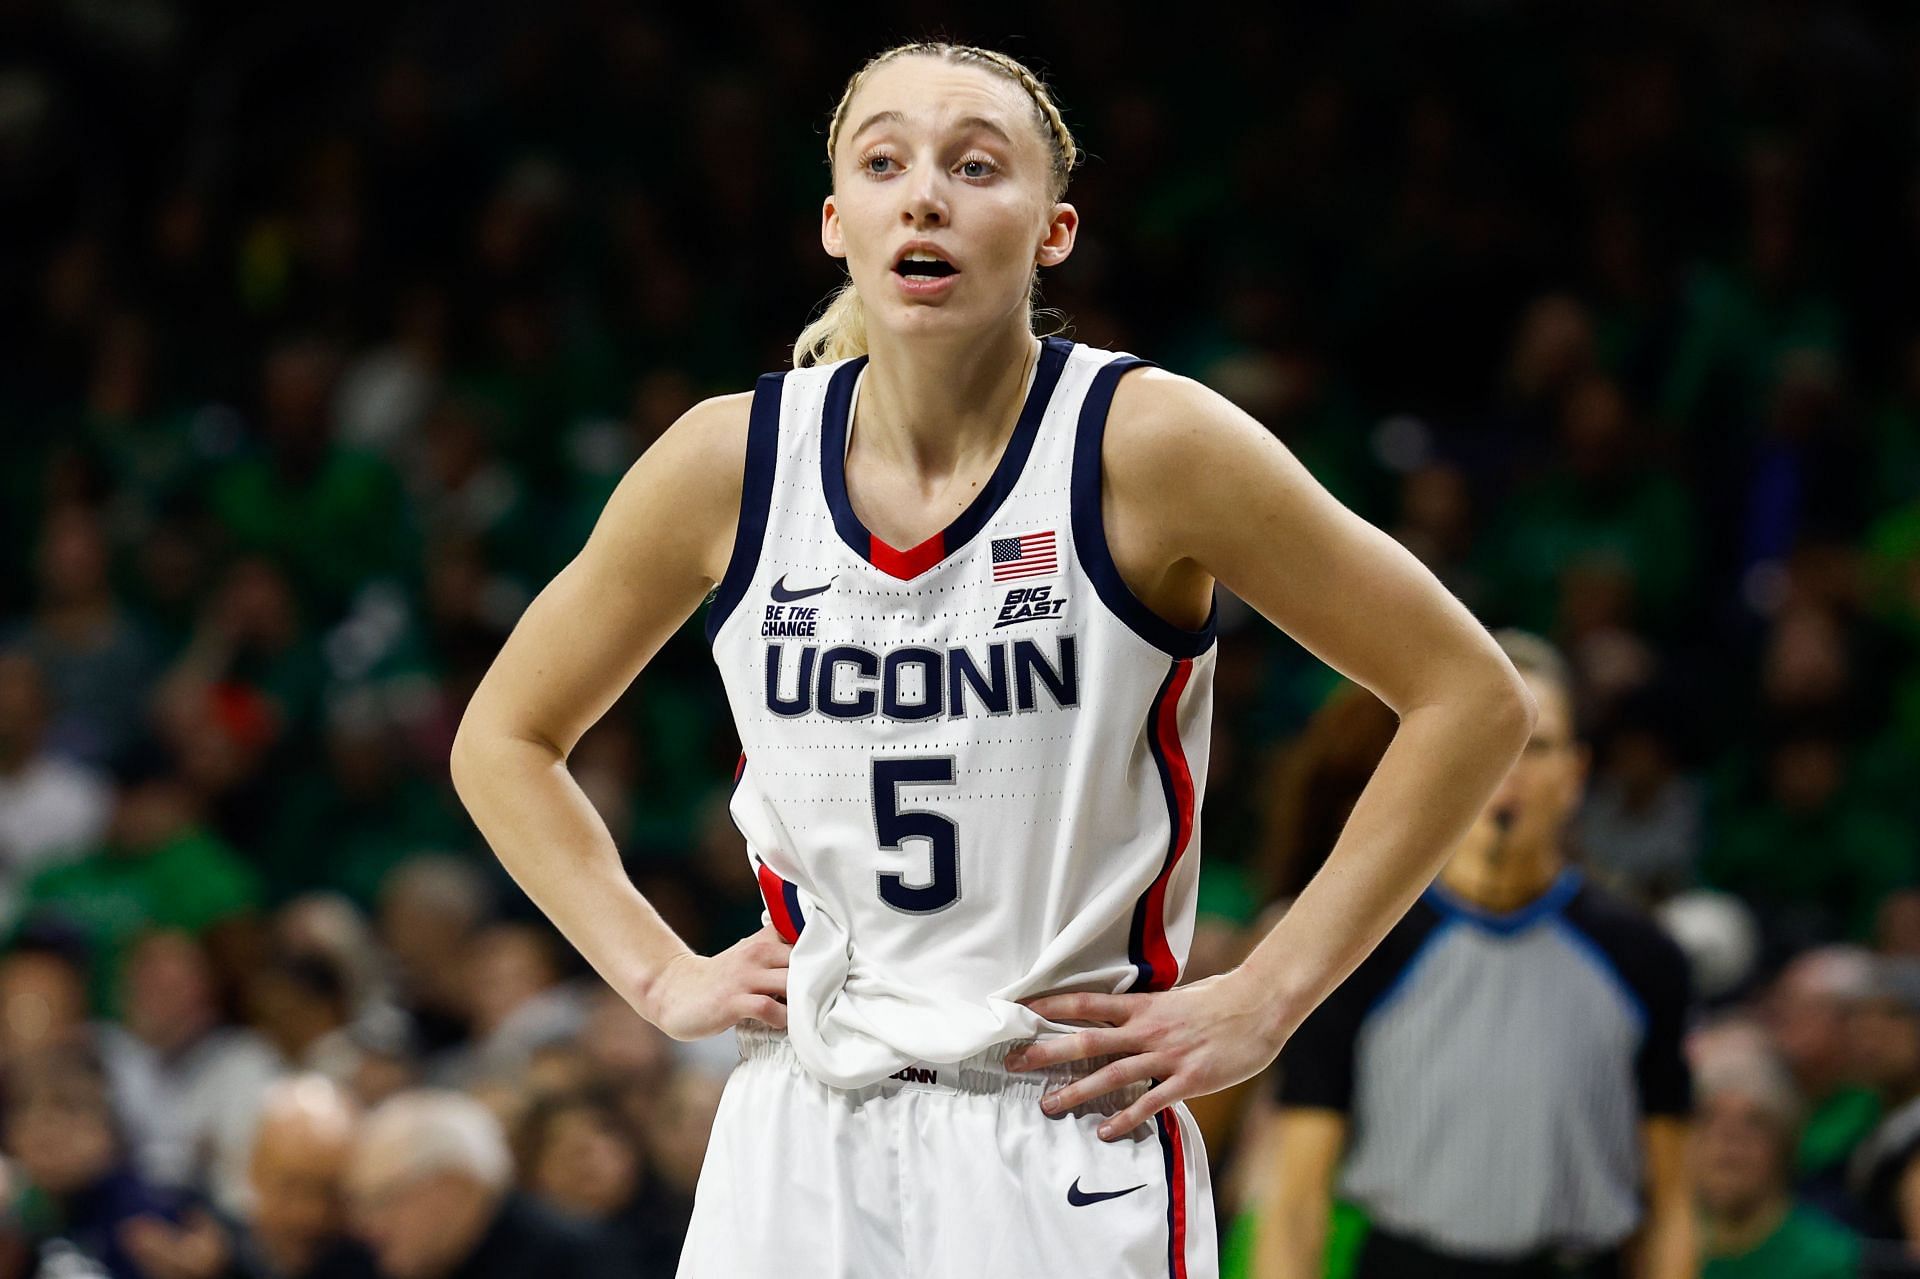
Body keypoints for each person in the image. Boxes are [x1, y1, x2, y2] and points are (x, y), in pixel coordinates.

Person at [451, 39, 1537, 1279]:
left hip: (1058, 1123)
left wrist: (1275, 989)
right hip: (799, 1127)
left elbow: (1469, 696)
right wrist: (652, 971)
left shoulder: (1148, 442)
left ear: (1055, 229)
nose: (926, 193)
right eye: (884, 161)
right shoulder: (728, 461)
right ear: (834, 221)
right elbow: (502, 738)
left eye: (975, 165)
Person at [1256, 631, 1695, 1279]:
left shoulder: (1643, 955)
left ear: (1574, 776)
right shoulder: (1356, 948)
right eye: (1484, 743)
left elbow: (1671, 1204)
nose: (1505, 772)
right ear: (1437, 761)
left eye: (1533, 747)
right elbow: (1296, 1202)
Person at [342, 1088, 625, 1279]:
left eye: (380, 1201)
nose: (367, 1228)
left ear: (450, 1188)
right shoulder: (364, 1267)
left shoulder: (577, 1262)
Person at [1694, 1044, 1860, 1278]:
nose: (1729, 1138)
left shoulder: (1824, 1258)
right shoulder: (1662, 1247)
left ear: (1784, 1143)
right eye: (1709, 1119)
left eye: (1754, 1121)